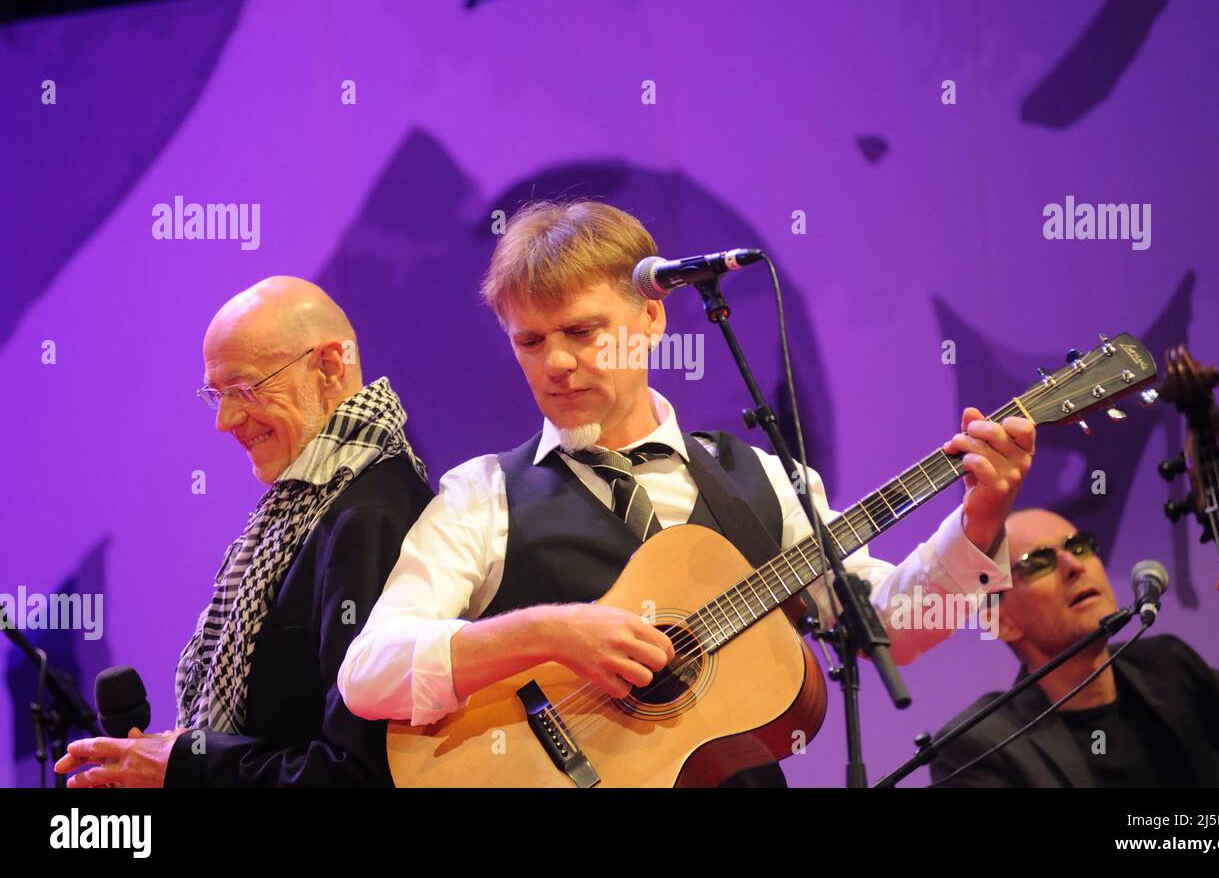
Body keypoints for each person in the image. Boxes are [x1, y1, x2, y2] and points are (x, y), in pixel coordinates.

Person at [338, 200, 1035, 786]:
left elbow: (888, 627)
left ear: (652, 317)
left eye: (583, 331)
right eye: (529, 341)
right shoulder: (481, 493)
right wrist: (549, 633)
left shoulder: (761, 479)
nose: (555, 362)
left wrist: (979, 520)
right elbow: (367, 674)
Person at [55, 277, 431, 787]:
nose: (225, 420)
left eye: (245, 389)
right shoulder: (305, 505)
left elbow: (362, 774)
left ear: (328, 367)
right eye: (217, 395)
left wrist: (186, 765)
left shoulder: (371, 514)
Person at [928, 508, 1219, 787]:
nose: (1074, 565)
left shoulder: (1171, 668)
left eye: (1079, 546)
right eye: (1038, 563)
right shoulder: (979, 749)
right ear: (1000, 621)